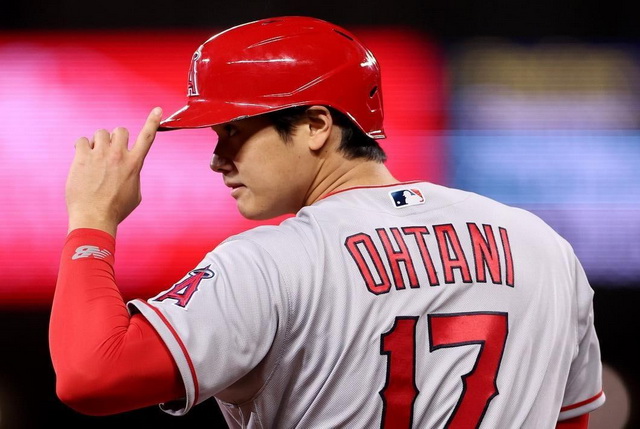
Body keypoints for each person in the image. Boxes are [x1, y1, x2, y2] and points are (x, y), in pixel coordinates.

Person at [49, 16, 606, 428]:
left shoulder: (272, 262)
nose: (218, 159)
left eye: (234, 131)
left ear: (317, 125)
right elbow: (569, 418)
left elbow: (90, 376)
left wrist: (93, 218)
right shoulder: (543, 246)